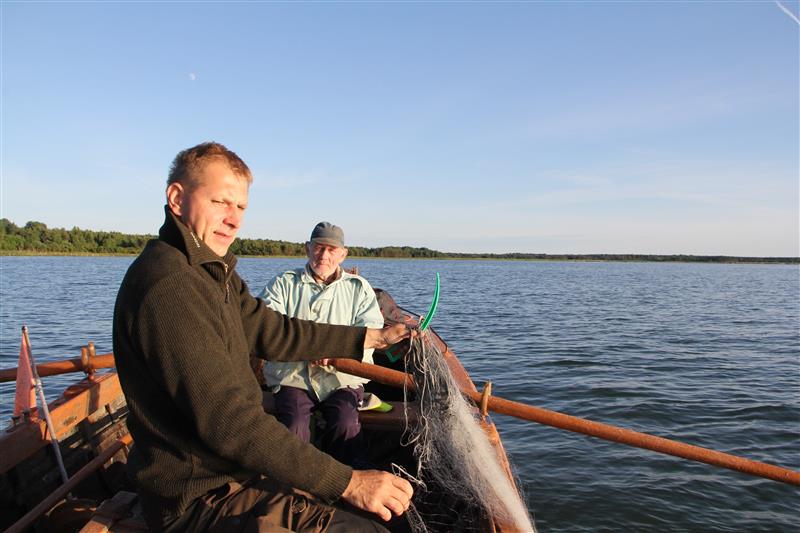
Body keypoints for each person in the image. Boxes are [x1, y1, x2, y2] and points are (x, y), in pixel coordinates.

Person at [113, 142, 413, 533]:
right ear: (177, 198)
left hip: (237, 472)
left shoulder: (210, 272)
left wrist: (367, 338)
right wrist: (349, 482)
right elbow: (230, 422)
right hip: (199, 498)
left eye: (240, 208)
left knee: (378, 518)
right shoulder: (170, 285)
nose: (233, 219)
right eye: (221, 202)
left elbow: (274, 331)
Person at [260, 222, 382, 467]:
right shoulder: (283, 284)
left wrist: (335, 353)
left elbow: (372, 335)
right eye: (318, 247)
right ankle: (292, 488)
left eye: (331, 249)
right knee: (293, 425)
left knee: (345, 423)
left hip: (342, 377)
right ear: (307, 248)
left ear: (342, 254)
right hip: (293, 376)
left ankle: (350, 484)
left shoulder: (359, 289)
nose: (323, 255)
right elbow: (268, 327)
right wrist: (307, 349)